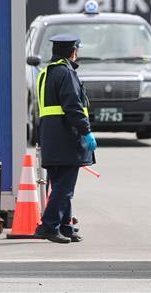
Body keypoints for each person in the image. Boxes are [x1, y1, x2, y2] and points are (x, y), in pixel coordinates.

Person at [34, 34, 97, 244]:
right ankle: (48, 226)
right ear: (73, 52)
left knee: (60, 184)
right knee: (64, 187)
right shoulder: (66, 73)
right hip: (66, 137)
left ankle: (65, 226)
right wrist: (86, 131)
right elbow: (73, 106)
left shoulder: (46, 73)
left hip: (50, 137)